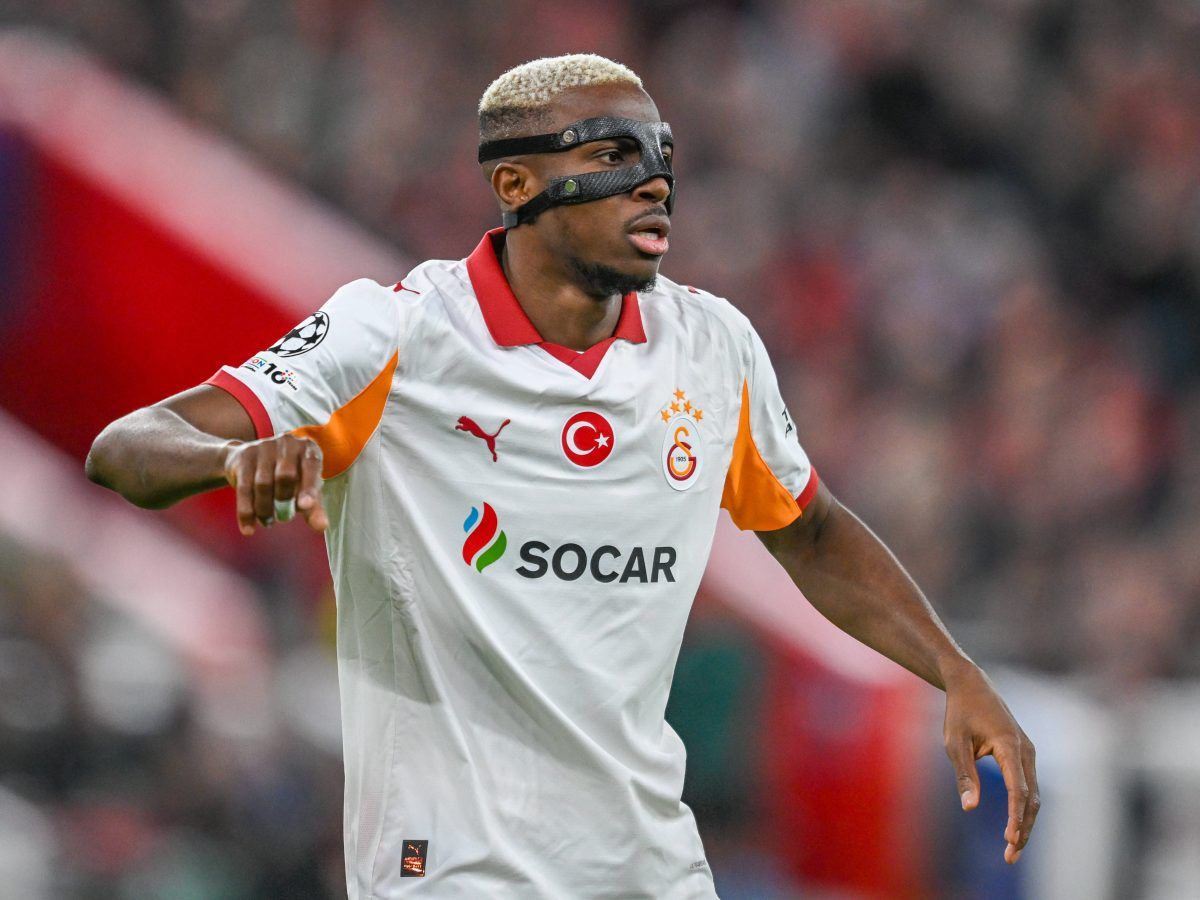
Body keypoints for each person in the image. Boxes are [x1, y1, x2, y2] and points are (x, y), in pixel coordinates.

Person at [86, 54, 1039, 898]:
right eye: (612, 155)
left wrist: (953, 671)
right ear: (515, 182)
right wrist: (232, 456)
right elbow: (126, 446)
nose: (653, 184)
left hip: (648, 866)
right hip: (454, 869)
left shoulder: (712, 347)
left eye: (661, 156)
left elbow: (812, 531)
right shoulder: (395, 335)